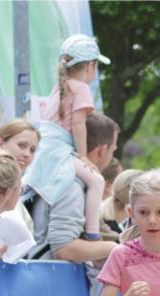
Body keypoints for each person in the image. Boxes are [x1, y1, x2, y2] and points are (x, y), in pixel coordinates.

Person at [25, 34, 110, 242]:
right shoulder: (81, 88)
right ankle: (92, 233)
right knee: (97, 181)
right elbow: (78, 124)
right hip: (58, 147)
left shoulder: (61, 85)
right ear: (90, 66)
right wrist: (83, 156)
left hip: (47, 143)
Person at [0, 119, 40, 261]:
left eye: (32, 150)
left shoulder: (20, 202)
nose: (27, 154)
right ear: (0, 144)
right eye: (22, 145)